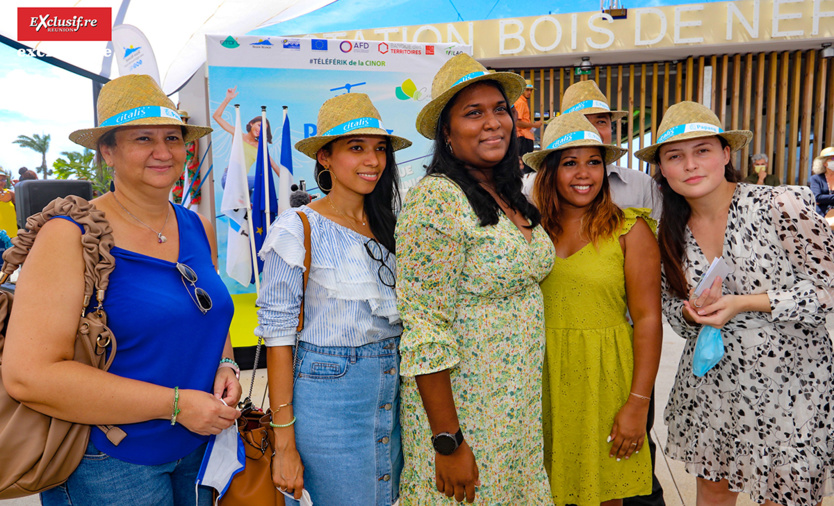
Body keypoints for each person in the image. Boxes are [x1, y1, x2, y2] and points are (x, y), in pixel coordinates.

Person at [2, 74, 240, 506]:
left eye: (173, 137)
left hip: (199, 447)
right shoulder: (69, 235)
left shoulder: (197, 227)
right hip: (109, 459)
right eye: (143, 138)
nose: (163, 152)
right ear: (106, 152)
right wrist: (177, 404)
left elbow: (206, 311)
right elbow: (28, 375)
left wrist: (226, 362)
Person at [635, 101, 834, 506]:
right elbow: (672, 313)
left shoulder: (781, 206)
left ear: (726, 154)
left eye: (702, 151)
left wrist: (747, 302)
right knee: (713, 494)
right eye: (675, 156)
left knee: (786, 496)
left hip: (792, 386)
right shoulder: (666, 233)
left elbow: (828, 287)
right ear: (663, 170)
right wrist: (691, 314)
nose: (690, 165)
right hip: (713, 387)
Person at [396, 53, 554, 504]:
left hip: (515, 412)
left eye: (499, 109)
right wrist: (448, 441)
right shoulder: (436, 202)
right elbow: (424, 329)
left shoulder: (506, 192)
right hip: (466, 415)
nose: (493, 123)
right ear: (447, 132)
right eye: (473, 113)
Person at [255, 92, 410, 506]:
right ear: (325, 157)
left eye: (379, 149)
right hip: (328, 400)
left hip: (395, 396)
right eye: (355, 148)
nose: (372, 161)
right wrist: (284, 442)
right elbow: (278, 336)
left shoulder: (392, 227)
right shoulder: (298, 227)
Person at [526, 112, 661, 505]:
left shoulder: (629, 230)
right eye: (570, 162)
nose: (584, 173)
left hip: (604, 380)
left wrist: (638, 403)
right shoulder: (527, 232)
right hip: (537, 377)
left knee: (603, 496)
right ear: (549, 171)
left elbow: (649, 320)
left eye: (594, 161)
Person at [523, 80, 662, 224]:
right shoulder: (530, 189)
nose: (592, 131)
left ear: (611, 127)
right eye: (581, 122)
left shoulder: (642, 185)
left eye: (600, 122)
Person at [212, 85, 281, 176]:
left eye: (264, 129)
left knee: (262, 183)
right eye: (259, 125)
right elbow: (216, 116)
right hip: (230, 177)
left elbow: (274, 165)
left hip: (243, 180)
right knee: (258, 183)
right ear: (252, 123)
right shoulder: (238, 134)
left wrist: (288, 183)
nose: (260, 130)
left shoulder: (259, 146)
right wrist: (227, 99)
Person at [514, 79, 543, 164]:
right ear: (521, 89)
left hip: (523, 137)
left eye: (531, 90)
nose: (529, 92)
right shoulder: (521, 103)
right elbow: (517, 122)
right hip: (523, 138)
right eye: (527, 90)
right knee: (525, 165)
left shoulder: (522, 101)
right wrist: (534, 125)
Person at [809, 146, 834, 217]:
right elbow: (816, 197)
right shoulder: (816, 178)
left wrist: (824, 199)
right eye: (832, 158)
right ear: (824, 163)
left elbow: (820, 199)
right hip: (821, 217)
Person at [0, 172, 16, 238]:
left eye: (2, 179)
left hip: (13, 234)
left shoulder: (11, 193)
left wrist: (17, 186)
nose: (0, 182)